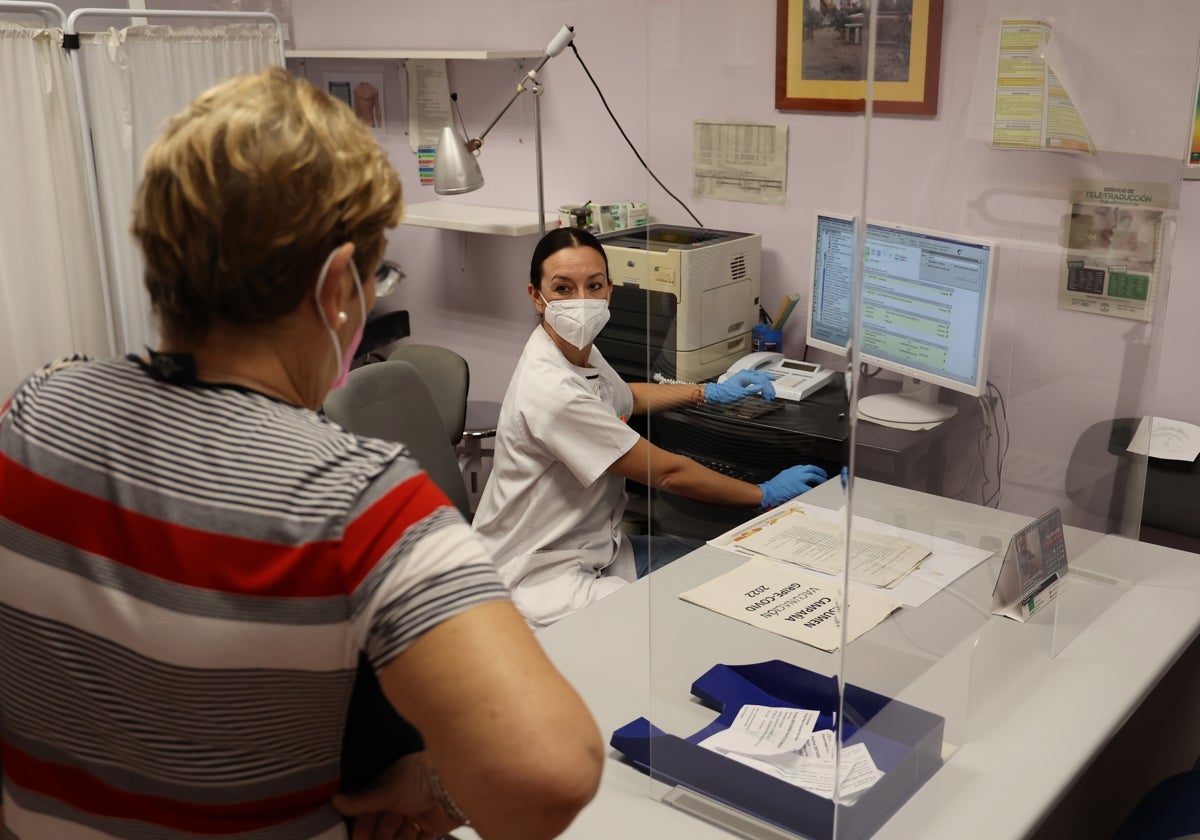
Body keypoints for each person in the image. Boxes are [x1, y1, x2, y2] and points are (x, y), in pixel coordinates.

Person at [0, 67, 601, 839]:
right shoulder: (363, 503)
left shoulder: (35, 408)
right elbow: (549, 775)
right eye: (373, 274)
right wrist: (431, 783)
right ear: (334, 291)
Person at [472, 227, 830, 628]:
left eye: (593, 285)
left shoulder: (573, 352)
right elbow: (668, 473)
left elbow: (622, 395)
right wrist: (762, 494)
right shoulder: (552, 389)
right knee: (690, 618)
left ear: (610, 290)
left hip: (594, 551)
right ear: (536, 297)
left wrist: (706, 392)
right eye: (563, 288)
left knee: (714, 567)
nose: (582, 301)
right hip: (539, 578)